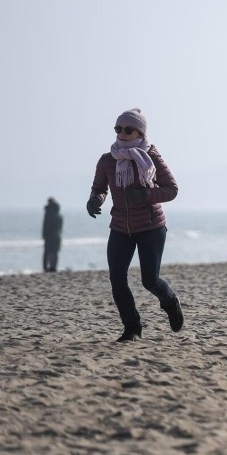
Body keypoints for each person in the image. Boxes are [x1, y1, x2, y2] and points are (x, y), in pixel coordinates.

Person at [87, 108, 183, 342]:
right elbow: (100, 188)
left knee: (150, 280)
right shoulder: (108, 160)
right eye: (118, 129)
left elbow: (172, 190)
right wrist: (94, 200)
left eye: (127, 129)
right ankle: (132, 328)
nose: (122, 133)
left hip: (151, 226)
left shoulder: (150, 156)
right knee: (117, 279)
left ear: (139, 132)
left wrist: (143, 196)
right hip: (120, 227)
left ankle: (170, 301)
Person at [42, 197, 63, 272]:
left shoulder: (49, 213)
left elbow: (46, 225)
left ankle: (48, 267)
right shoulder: (58, 214)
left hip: (50, 236)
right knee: (54, 252)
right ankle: (53, 267)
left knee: (49, 252)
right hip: (57, 235)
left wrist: (44, 235)